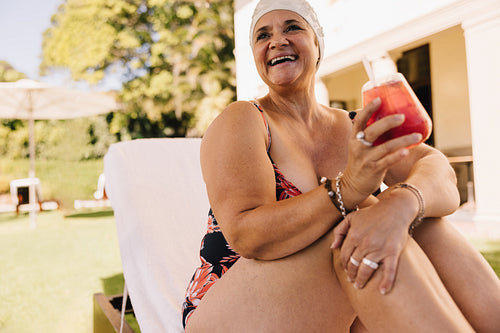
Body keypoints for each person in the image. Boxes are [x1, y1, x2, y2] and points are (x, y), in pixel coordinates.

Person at [182, 0, 500, 332]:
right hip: (233, 311)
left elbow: (439, 173)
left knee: (416, 222)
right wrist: (346, 191)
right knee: (357, 227)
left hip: (328, 299)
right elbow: (248, 236)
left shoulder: (355, 126)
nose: (276, 41)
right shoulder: (244, 119)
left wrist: (402, 205)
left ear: (317, 44)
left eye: (292, 27)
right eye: (263, 35)